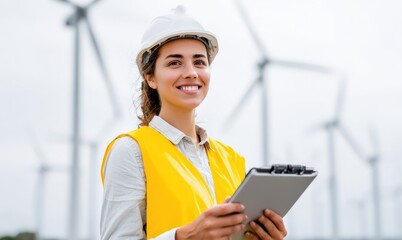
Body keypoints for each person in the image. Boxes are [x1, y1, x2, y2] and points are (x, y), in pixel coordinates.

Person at [100, 6, 288, 240]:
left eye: (199, 62)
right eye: (174, 63)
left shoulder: (230, 159)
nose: (191, 72)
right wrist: (184, 237)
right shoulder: (131, 151)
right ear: (150, 78)